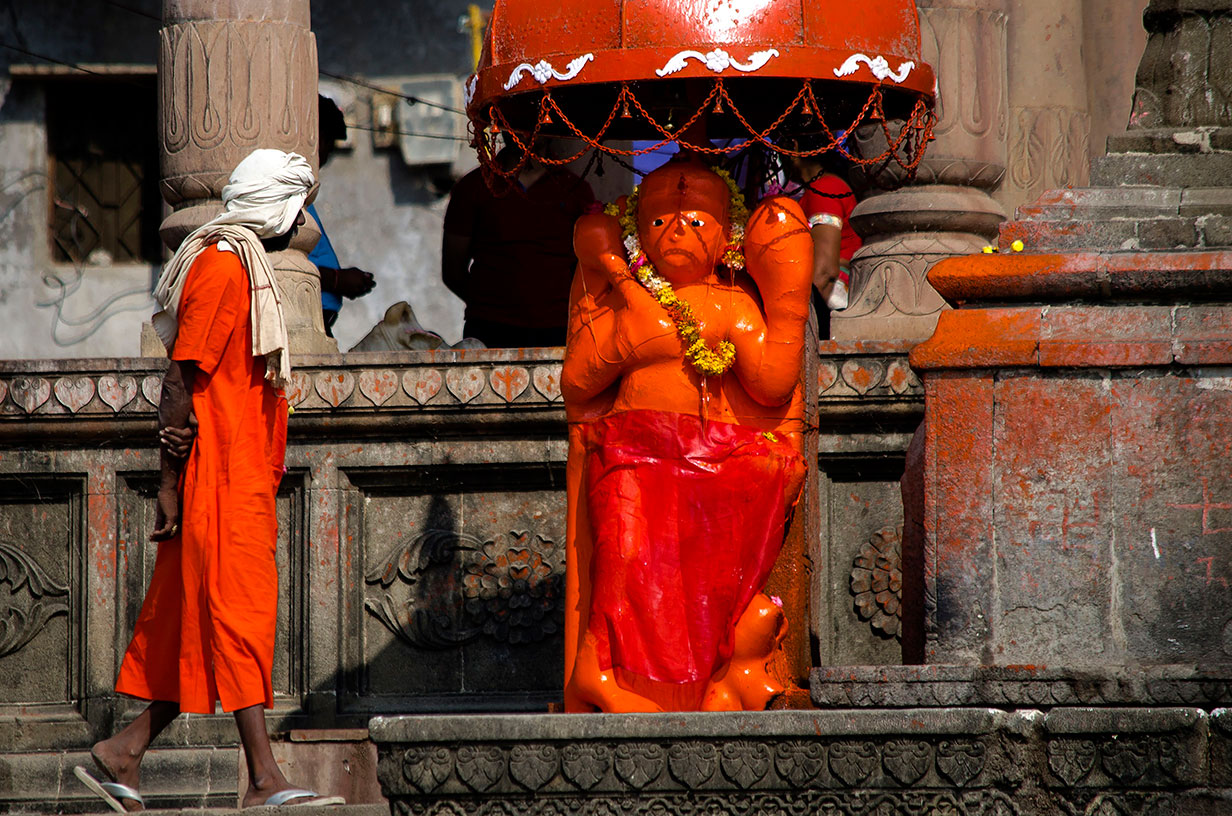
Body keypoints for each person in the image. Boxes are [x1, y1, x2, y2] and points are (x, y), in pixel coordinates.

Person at [73, 149, 344, 811]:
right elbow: (180, 380)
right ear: (275, 211)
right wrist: (168, 485)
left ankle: (124, 751)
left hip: (237, 470)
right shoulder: (223, 267)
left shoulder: (237, 263)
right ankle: (264, 779)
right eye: (298, 209)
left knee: (194, 624)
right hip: (220, 478)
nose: (303, 222)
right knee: (239, 616)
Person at [561, 157, 811, 712]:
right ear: (635, 236)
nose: (676, 232)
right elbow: (576, 383)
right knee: (622, 556)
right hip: (630, 452)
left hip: (708, 460)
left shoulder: (732, 303)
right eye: (658, 222)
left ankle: (709, 678)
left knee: (710, 572)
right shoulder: (621, 300)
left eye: (696, 221)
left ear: (727, 238)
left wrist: (787, 301)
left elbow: (771, 385)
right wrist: (626, 336)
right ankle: (597, 672)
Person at [442, 140, 595, 347]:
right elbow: (452, 270)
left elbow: (587, 268)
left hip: (559, 328)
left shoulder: (575, 189)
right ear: (501, 127)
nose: (525, 132)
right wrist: (490, 306)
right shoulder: (473, 187)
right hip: (489, 328)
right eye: (515, 124)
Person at [313, 95, 375, 337]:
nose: (326, 154)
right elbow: (279, 267)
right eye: (326, 141)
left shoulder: (304, 195)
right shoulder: (281, 193)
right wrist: (338, 280)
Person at [785, 134, 862, 321]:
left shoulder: (825, 189)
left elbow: (824, 271)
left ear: (794, 147)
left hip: (831, 303)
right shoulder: (823, 187)